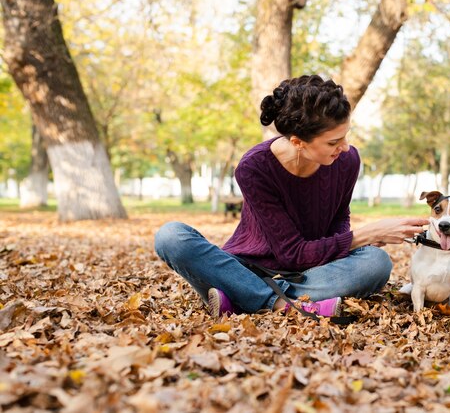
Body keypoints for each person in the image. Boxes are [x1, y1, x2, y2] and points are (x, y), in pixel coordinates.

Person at [154, 75, 428, 318]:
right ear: (297, 142)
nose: (344, 148)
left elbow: (337, 222)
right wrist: (368, 233)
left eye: (346, 136)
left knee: (376, 263)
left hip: (311, 273)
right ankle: (280, 304)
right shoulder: (254, 168)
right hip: (249, 267)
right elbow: (291, 253)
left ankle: (242, 299)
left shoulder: (347, 160)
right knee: (171, 236)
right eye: (333, 142)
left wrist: (353, 245)